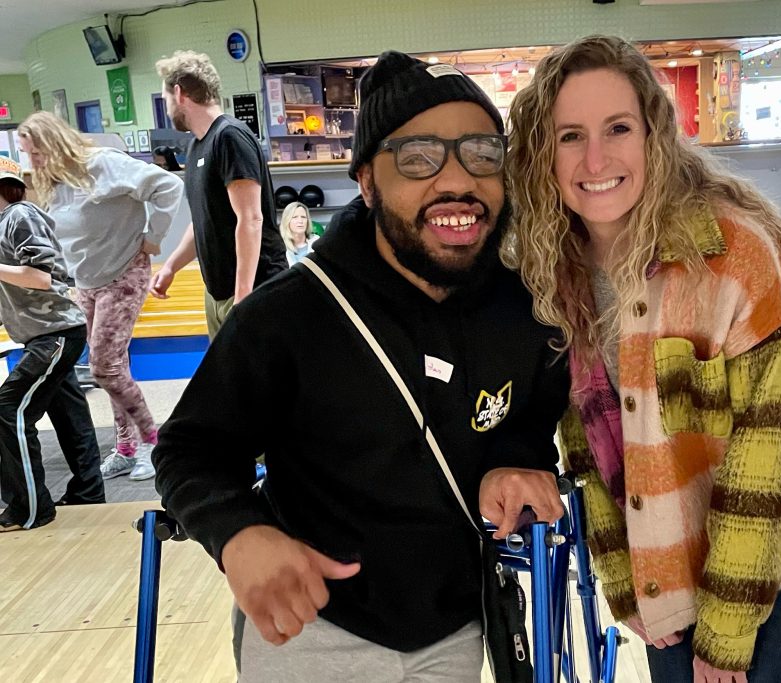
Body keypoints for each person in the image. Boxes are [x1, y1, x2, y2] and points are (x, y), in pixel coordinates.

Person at [152, 50, 569, 682]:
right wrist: (237, 533)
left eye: (482, 153)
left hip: (458, 627)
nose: (457, 180)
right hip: (312, 629)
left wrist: (521, 456)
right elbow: (190, 447)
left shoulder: (525, 312)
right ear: (368, 182)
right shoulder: (290, 316)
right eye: (418, 156)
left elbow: (534, 410)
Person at [506, 36, 781, 683]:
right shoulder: (555, 272)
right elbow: (587, 448)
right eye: (569, 136)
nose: (595, 158)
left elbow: (774, 455)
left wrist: (725, 634)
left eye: (617, 127)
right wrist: (626, 582)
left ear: (653, 135)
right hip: (669, 538)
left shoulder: (733, 252)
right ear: (543, 153)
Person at [18, 112, 184, 481]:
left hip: (124, 272)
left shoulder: (103, 164)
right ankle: (125, 446)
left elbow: (168, 187)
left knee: (104, 367)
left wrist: (153, 237)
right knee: (113, 367)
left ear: (53, 142)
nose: (33, 162)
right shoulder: (56, 182)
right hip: (88, 281)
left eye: (36, 152)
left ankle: (153, 441)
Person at [151, 51, 288, 338]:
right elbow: (204, 221)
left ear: (179, 93)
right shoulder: (197, 146)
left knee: (262, 381)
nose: (166, 109)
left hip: (253, 289)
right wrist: (171, 267)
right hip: (217, 292)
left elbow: (251, 219)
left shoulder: (230, 137)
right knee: (229, 380)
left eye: (165, 100)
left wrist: (242, 297)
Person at [0, 159, 105, 530]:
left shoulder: (19, 215)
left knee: (8, 409)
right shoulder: (7, 222)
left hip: (55, 334)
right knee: (70, 416)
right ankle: (88, 494)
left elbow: (40, 277)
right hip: (48, 332)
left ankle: (29, 508)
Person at [278, 201, 317, 266]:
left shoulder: (316, 243)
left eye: (303, 217)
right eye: (295, 217)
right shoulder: (279, 247)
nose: (300, 221)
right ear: (287, 220)